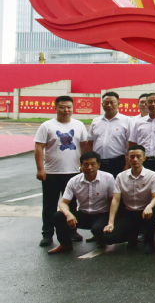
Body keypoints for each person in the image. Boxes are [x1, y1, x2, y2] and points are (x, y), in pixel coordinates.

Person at [35, 95, 89, 247]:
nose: (66, 110)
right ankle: (47, 233)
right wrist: (40, 169)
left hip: (73, 172)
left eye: (69, 107)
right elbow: (39, 147)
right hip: (51, 173)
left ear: (73, 108)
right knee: (49, 206)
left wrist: (83, 165)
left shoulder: (79, 125)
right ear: (56, 108)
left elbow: (84, 146)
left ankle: (71, 231)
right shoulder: (47, 126)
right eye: (62, 107)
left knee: (72, 204)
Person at [47, 151, 114, 254]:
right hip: (84, 214)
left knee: (97, 229)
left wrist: (112, 220)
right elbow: (63, 203)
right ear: (81, 166)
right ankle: (65, 244)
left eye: (93, 164)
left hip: (102, 214)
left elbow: (113, 200)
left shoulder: (108, 178)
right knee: (58, 216)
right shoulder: (74, 181)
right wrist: (68, 214)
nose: (89, 167)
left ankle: (101, 239)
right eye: (86, 164)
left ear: (98, 165)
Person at [103, 145, 155, 253]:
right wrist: (110, 222)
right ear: (127, 158)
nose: (135, 159)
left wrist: (149, 206)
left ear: (144, 158)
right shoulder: (120, 176)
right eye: (132, 157)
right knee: (108, 238)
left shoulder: (152, 175)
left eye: (138, 156)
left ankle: (149, 241)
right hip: (129, 212)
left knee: (151, 213)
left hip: (145, 212)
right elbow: (115, 200)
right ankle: (132, 236)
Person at [87, 92, 131, 178]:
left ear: (118, 103)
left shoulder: (127, 121)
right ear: (102, 104)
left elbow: (131, 143)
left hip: (118, 162)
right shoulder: (96, 121)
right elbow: (90, 143)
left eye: (112, 102)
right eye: (106, 103)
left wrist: (128, 164)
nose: (109, 105)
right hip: (98, 163)